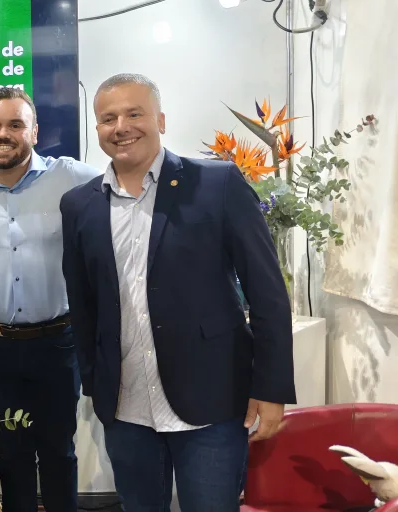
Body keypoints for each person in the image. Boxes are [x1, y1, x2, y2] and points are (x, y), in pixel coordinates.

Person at [60, 73, 296, 511]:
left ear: (161, 120)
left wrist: (271, 387)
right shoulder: (78, 205)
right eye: (108, 118)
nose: (121, 127)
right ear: (97, 128)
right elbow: (83, 302)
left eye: (134, 113)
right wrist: (94, 381)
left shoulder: (218, 184)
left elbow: (267, 293)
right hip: (126, 407)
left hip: (212, 402)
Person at [0, 87, 100, 512]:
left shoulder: (73, 178)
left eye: (15, 124)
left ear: (35, 132)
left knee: (59, 451)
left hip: (57, 344)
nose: (3, 134)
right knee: (11, 454)